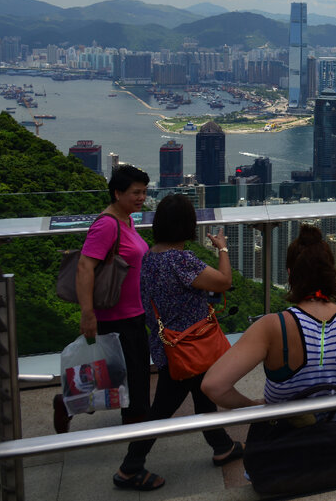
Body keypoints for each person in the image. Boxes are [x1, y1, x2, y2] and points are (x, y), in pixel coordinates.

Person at [202, 225, 336, 465]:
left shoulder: (273, 326)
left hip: (286, 448)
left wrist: (253, 407)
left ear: (290, 274)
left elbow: (214, 386)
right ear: (331, 274)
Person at [116, 195, 242, 489]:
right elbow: (223, 281)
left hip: (168, 343)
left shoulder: (151, 256)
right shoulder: (179, 260)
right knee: (161, 410)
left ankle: (221, 445)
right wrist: (222, 248)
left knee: (202, 394)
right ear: (187, 226)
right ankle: (129, 468)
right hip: (187, 347)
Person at [51, 164, 160, 490]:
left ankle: (69, 401)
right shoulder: (107, 224)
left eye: (144, 191)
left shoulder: (126, 220)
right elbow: (86, 266)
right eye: (135, 193)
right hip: (116, 318)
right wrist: (88, 314)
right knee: (136, 386)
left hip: (132, 314)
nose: (142, 197)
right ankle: (133, 463)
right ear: (117, 193)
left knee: (116, 377)